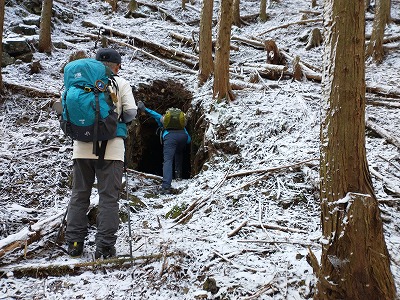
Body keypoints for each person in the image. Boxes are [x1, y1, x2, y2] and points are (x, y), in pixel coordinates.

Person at [65, 48, 137, 259]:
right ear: (117, 66)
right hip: (112, 149)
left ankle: (75, 243)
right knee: (108, 198)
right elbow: (131, 112)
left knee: (79, 195)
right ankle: (104, 247)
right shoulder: (120, 83)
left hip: (81, 147)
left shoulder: (79, 83)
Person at [137, 101, 191, 194]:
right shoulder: (181, 123)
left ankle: (166, 187)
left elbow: (154, 114)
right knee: (179, 153)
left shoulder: (163, 120)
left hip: (169, 138)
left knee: (168, 161)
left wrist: (144, 109)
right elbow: (188, 139)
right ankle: (178, 176)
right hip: (183, 137)